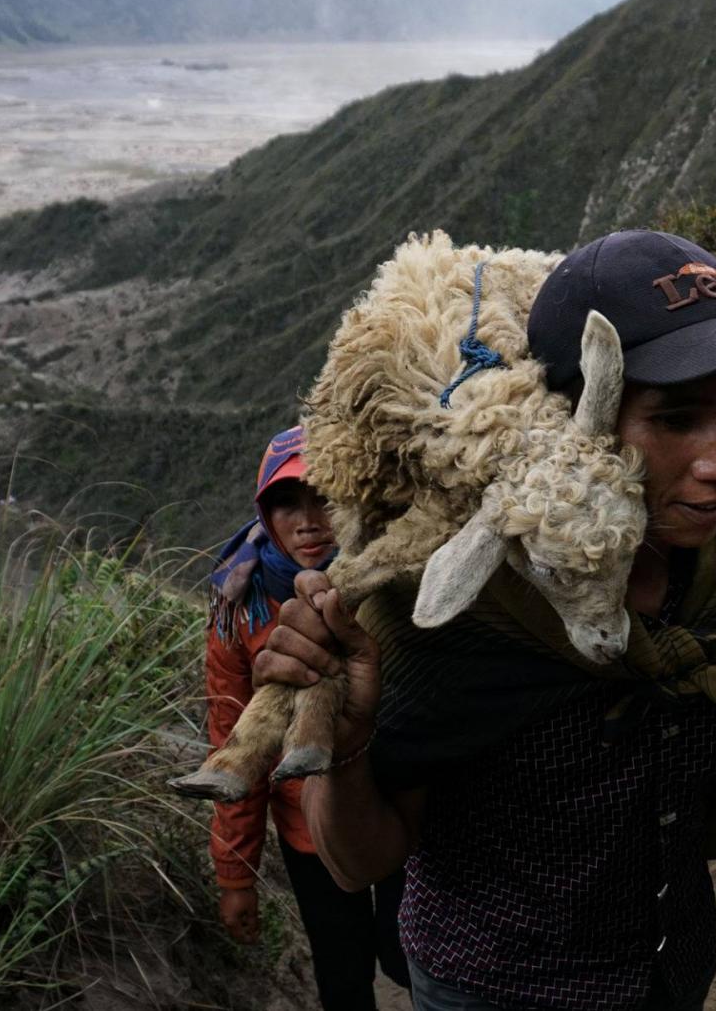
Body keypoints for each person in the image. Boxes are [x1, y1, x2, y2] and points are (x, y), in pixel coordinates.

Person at [253, 232, 716, 1010]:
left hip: (669, 972)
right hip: (493, 987)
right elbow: (356, 863)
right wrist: (348, 735)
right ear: (581, 425)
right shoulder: (459, 599)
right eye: (674, 419)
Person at [204, 426, 409, 1010]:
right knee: (342, 976)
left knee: (408, 954)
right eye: (286, 504)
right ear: (265, 516)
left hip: (401, 806)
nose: (309, 520)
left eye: (324, 495)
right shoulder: (240, 606)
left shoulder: (395, 581)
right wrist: (235, 876)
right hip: (307, 827)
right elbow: (234, 739)